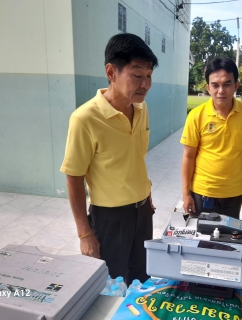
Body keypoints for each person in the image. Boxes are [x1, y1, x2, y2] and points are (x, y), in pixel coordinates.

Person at [60, 33, 158, 285]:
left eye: (149, 75)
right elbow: (74, 176)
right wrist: (85, 234)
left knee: (141, 279)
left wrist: (145, 192)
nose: (145, 84)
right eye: (137, 75)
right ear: (111, 72)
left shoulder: (141, 108)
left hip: (143, 212)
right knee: (112, 286)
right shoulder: (85, 118)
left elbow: (135, 157)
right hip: (110, 219)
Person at [181, 57, 242, 219]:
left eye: (227, 84)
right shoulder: (196, 115)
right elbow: (188, 156)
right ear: (208, 88)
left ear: (236, 86)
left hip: (233, 194)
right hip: (202, 193)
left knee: (227, 240)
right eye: (215, 85)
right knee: (201, 241)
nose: (221, 91)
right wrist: (185, 193)